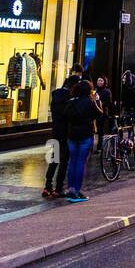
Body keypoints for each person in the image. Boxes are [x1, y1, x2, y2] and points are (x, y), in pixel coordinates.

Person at [44, 68, 82, 199]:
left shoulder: (55, 95)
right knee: (64, 161)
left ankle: (47, 186)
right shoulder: (70, 99)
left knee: (54, 159)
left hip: (54, 131)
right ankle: (58, 188)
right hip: (66, 133)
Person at [63, 80, 103, 202]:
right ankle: (76, 191)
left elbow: (65, 115)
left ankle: (70, 190)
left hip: (72, 135)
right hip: (85, 135)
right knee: (81, 162)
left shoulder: (72, 101)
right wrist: (96, 100)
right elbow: (100, 114)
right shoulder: (89, 102)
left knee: (72, 162)